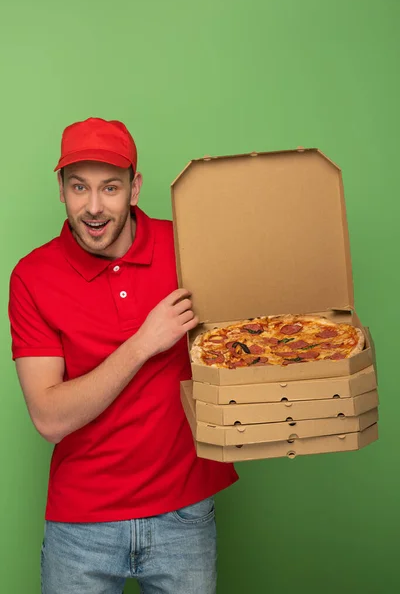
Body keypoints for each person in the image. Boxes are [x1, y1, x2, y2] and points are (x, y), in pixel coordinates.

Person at [8, 117, 238, 594]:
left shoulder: (188, 247)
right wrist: (142, 342)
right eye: (79, 188)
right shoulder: (32, 277)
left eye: (109, 187)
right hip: (81, 526)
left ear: (134, 188)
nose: (93, 207)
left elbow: (250, 334)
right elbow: (49, 418)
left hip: (184, 515)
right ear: (61, 191)